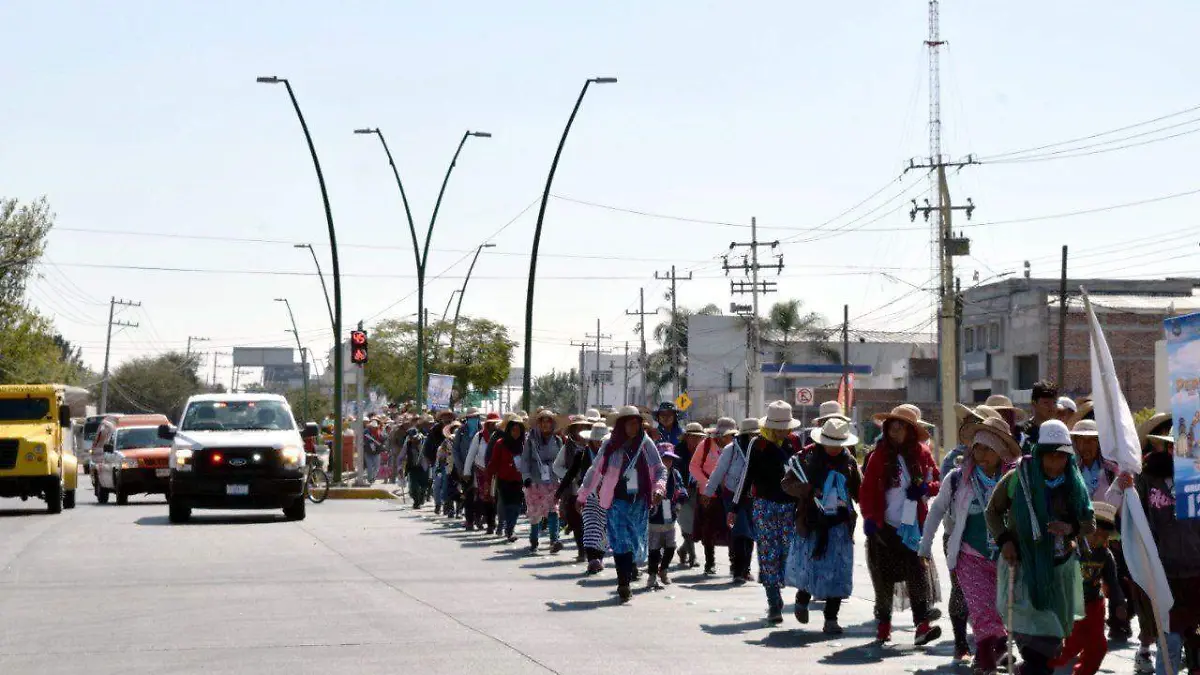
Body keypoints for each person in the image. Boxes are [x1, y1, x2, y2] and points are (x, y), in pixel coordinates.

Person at [986, 419, 1095, 675]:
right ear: (1039, 453)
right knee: (1035, 643)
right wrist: (1005, 540)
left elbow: (1088, 522)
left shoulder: (1073, 483)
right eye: (1051, 456)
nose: (1056, 463)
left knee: (1053, 639)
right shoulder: (1017, 479)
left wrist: (1070, 528)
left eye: (1061, 457)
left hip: (1059, 571)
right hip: (1024, 568)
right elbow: (993, 512)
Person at [919, 415, 1020, 674]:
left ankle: (987, 655)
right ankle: (993, 656)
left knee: (999, 611)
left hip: (1004, 557)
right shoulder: (957, 479)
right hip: (969, 556)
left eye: (989, 448)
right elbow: (937, 511)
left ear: (1001, 452)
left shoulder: (1014, 480)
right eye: (978, 447)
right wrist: (925, 545)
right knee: (980, 608)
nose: (982, 454)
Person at [860, 404, 943, 645]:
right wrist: (870, 519)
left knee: (917, 575)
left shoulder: (922, 454)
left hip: (913, 527)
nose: (895, 431)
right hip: (884, 526)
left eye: (901, 426)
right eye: (892, 426)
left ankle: (922, 626)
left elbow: (937, 481)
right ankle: (884, 627)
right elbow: (866, 490)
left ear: (910, 431)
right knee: (883, 579)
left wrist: (926, 488)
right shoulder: (878, 456)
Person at [577, 405, 666, 603]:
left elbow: (660, 469)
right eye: (630, 423)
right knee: (620, 542)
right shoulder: (610, 445)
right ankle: (623, 584)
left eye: (637, 422)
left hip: (639, 502)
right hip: (616, 500)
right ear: (621, 424)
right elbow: (595, 470)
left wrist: (659, 488)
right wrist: (582, 495)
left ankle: (629, 571)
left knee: (635, 543)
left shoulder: (646, 443)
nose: (634, 426)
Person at [1133, 418, 1200, 675]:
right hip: (1164, 575)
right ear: (1169, 448)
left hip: (1197, 576)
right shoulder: (1148, 478)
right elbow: (1135, 516)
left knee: (1197, 646)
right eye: (1175, 447)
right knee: (1169, 642)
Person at [784, 416, 861, 634]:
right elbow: (786, 484)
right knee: (812, 569)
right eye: (831, 444)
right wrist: (807, 489)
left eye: (839, 445)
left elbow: (859, 491)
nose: (835, 449)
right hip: (812, 523)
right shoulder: (805, 459)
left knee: (838, 573)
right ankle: (802, 598)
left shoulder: (849, 462)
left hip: (839, 525)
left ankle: (831, 619)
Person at [728, 401, 800, 624]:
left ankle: (781, 589)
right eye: (779, 427)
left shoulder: (794, 442)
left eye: (785, 427)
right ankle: (773, 602)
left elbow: (802, 473)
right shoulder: (757, 444)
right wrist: (734, 507)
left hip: (790, 507)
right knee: (768, 553)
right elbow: (746, 476)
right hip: (764, 506)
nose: (783, 431)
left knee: (787, 553)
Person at [1048, 501, 1127, 675]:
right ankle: (1040, 667)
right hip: (1071, 605)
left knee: (1098, 647)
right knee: (1072, 644)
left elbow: (1112, 582)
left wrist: (1119, 603)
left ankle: (1083, 671)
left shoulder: (1105, 555)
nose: (1100, 540)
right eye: (1096, 534)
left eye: (1105, 537)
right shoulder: (1070, 548)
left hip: (1094, 606)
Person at [704, 417, 759, 583]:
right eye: (751, 435)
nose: (753, 438)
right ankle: (737, 570)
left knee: (750, 533)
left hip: (752, 496)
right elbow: (719, 471)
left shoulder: (760, 448)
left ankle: (746, 569)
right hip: (733, 495)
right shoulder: (732, 449)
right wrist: (708, 492)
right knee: (739, 530)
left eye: (756, 434)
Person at [690, 417, 736, 575]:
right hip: (707, 494)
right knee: (708, 529)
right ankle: (709, 562)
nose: (728, 438)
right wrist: (708, 483)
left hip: (729, 493)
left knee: (732, 528)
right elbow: (694, 466)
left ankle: (734, 563)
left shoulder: (735, 447)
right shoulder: (706, 445)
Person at [553, 415, 595, 561]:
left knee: (592, 524)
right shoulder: (568, 448)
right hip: (573, 491)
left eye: (585, 427)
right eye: (578, 428)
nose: (581, 431)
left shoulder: (597, 446)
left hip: (594, 491)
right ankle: (581, 551)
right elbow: (557, 467)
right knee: (577, 522)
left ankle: (594, 555)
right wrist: (571, 477)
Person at [646, 443, 687, 590]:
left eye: (670, 459)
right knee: (654, 547)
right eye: (664, 458)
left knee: (671, 545)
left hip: (669, 510)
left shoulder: (675, 474)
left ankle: (663, 570)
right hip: (654, 513)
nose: (667, 462)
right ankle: (651, 574)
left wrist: (679, 503)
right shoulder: (651, 473)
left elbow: (682, 490)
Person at [570, 422, 609, 574]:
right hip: (589, 496)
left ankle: (599, 557)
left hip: (608, 497)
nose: (599, 443)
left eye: (602, 440)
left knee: (604, 530)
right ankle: (592, 559)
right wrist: (580, 496)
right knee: (591, 526)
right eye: (597, 440)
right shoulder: (583, 454)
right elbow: (577, 473)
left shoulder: (614, 454)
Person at [522, 409, 564, 553]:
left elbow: (562, 460)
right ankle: (534, 540)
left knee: (553, 510)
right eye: (543, 421)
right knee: (535, 513)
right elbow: (525, 460)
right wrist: (526, 477)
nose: (546, 424)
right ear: (538, 424)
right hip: (534, 481)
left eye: (548, 421)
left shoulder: (557, 440)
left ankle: (554, 540)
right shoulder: (530, 440)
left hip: (552, 480)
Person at [486, 415, 527, 542]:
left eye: (518, 430)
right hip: (503, 480)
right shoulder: (500, 444)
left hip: (519, 480)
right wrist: (488, 482)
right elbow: (493, 463)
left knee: (516, 507)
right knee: (507, 505)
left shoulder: (524, 444)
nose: (515, 433)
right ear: (508, 430)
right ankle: (509, 530)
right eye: (513, 430)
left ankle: (510, 528)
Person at [674, 422, 706, 569]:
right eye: (692, 437)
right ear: (686, 437)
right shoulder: (678, 451)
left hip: (701, 491)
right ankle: (693, 556)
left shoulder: (705, 451)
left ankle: (682, 550)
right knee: (686, 524)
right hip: (682, 491)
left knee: (698, 524)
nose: (695, 440)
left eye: (698, 437)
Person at [462, 412, 501, 531]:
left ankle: (491, 522)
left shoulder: (501, 436)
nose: (494, 426)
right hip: (481, 471)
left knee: (494, 497)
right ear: (487, 424)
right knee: (481, 497)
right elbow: (471, 454)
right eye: (491, 423)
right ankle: (478, 518)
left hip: (495, 472)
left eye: (496, 423)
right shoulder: (479, 436)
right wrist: (467, 471)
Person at [452, 408, 483, 527]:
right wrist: (461, 468)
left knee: (481, 496)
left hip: (481, 468)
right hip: (465, 469)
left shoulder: (482, 430)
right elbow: (455, 449)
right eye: (470, 418)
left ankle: (479, 518)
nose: (473, 420)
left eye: (475, 417)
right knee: (468, 495)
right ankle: (469, 520)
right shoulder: (461, 431)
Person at [1019, 381, 1060, 454]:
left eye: (1054, 402)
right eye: (1046, 403)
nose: (1051, 407)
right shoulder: (1023, 432)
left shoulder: (1060, 431)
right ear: (1034, 404)